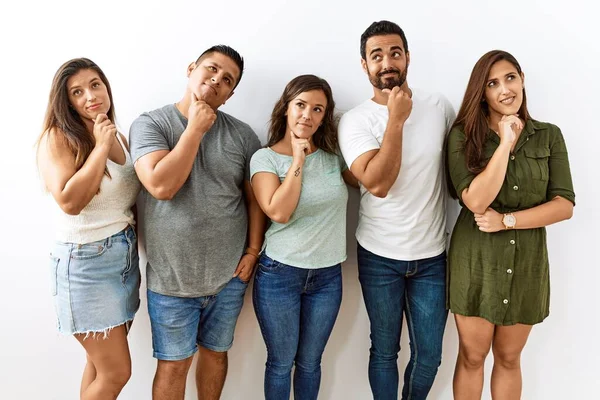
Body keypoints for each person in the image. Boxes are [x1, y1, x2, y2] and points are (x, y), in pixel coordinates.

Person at [129, 45, 265, 400]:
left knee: (216, 355)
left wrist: (252, 250)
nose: (216, 80)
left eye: (227, 80)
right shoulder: (151, 123)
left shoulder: (243, 136)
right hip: (171, 280)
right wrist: (195, 129)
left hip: (228, 278)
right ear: (191, 68)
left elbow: (254, 201)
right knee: (173, 365)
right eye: (211, 69)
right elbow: (161, 186)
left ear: (231, 93)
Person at [446, 50, 575, 399]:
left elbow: (564, 205)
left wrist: (507, 221)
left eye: (510, 78)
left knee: (509, 356)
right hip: (476, 261)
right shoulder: (462, 136)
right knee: (473, 357)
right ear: (481, 92)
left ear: (522, 80)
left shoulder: (550, 136)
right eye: (492, 83)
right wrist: (505, 143)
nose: (505, 89)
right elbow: (474, 200)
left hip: (526, 263)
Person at [338, 21, 456, 399]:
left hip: (432, 255)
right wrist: (396, 119)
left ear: (407, 57)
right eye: (377, 56)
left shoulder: (438, 105)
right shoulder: (355, 121)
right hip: (379, 256)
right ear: (364, 65)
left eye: (394, 53)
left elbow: (456, 168)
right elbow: (378, 183)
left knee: (430, 356)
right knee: (385, 351)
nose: (386, 62)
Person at [37, 57, 141, 399]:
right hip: (84, 264)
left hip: (122, 259)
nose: (90, 96)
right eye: (77, 92)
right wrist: (98, 146)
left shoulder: (119, 136)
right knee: (117, 373)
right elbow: (69, 201)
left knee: (99, 367)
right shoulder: (59, 138)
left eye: (95, 84)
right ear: (66, 101)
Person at [250, 74, 358, 400]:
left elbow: (367, 178)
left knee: (311, 363)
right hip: (279, 274)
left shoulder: (333, 156)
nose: (306, 116)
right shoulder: (264, 158)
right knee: (281, 363)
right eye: (300, 105)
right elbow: (278, 212)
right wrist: (298, 160)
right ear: (286, 107)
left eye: (317, 109)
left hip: (327, 277)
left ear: (325, 116)